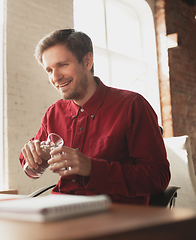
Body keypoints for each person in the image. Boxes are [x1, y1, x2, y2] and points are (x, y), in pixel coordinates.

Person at [19, 29, 170, 205]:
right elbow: (31, 162)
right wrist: (32, 156)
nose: (55, 77)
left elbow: (158, 177)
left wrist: (92, 168)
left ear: (87, 62)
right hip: (61, 210)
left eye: (63, 65)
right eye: (49, 70)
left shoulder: (132, 105)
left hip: (115, 214)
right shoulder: (54, 113)